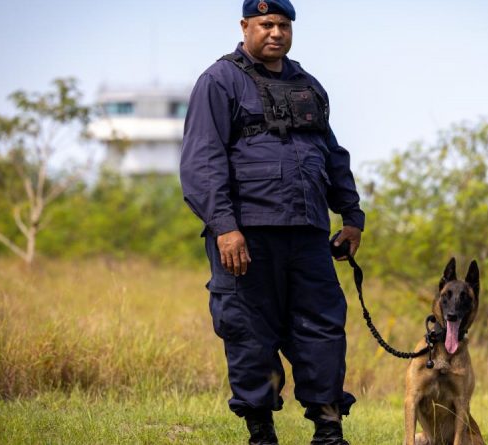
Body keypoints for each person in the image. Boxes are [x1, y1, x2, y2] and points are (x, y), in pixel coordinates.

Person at [179, 1, 365, 444]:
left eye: (283, 24)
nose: (275, 32)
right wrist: (225, 226)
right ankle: (260, 429)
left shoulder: (309, 86)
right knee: (248, 329)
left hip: (307, 232)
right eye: (266, 24)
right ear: (245, 26)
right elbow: (202, 161)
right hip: (247, 234)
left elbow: (332, 153)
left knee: (321, 327)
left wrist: (351, 214)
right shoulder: (219, 81)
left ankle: (328, 427)